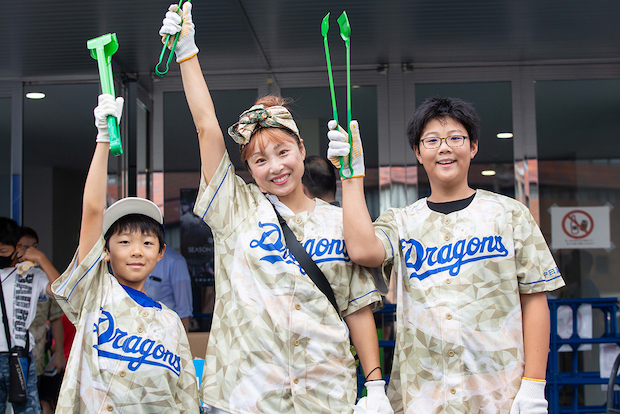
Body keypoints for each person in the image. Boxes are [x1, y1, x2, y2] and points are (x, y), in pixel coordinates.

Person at [159, 4, 392, 413]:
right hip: (243, 397)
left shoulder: (340, 222)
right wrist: (187, 52)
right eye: (259, 160)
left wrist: (374, 388)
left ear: (302, 149)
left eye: (282, 151)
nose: (275, 167)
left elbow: (357, 307)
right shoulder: (235, 208)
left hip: (324, 395)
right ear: (247, 168)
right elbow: (206, 127)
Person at [327, 96, 566, 414]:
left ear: (473, 146)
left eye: (456, 138)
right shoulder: (402, 220)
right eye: (432, 140)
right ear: (418, 152)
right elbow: (362, 250)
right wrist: (351, 177)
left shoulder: (509, 214)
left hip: (498, 394)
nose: (445, 148)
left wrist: (534, 387)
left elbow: (535, 300)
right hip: (422, 398)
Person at [50, 94, 199, 413]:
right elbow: (92, 210)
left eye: (147, 244)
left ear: (161, 254)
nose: (136, 251)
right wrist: (103, 139)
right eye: (124, 242)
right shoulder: (94, 294)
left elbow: (186, 396)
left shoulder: (171, 322)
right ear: (104, 251)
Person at [0, 218, 60, 414]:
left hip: (20, 356)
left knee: (28, 409)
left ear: (17, 247)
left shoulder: (33, 275)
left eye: (3, 251)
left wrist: (41, 259)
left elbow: (63, 290)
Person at [18, 227, 65, 414]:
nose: (31, 252)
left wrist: (59, 351)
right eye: (25, 247)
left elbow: (56, 316)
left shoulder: (41, 278)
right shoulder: (8, 275)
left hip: (37, 358)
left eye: (35, 247)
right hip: (10, 356)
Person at [144, 248, 193, 331]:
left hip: (164, 330)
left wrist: (182, 342)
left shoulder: (175, 261)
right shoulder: (129, 258)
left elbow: (184, 309)